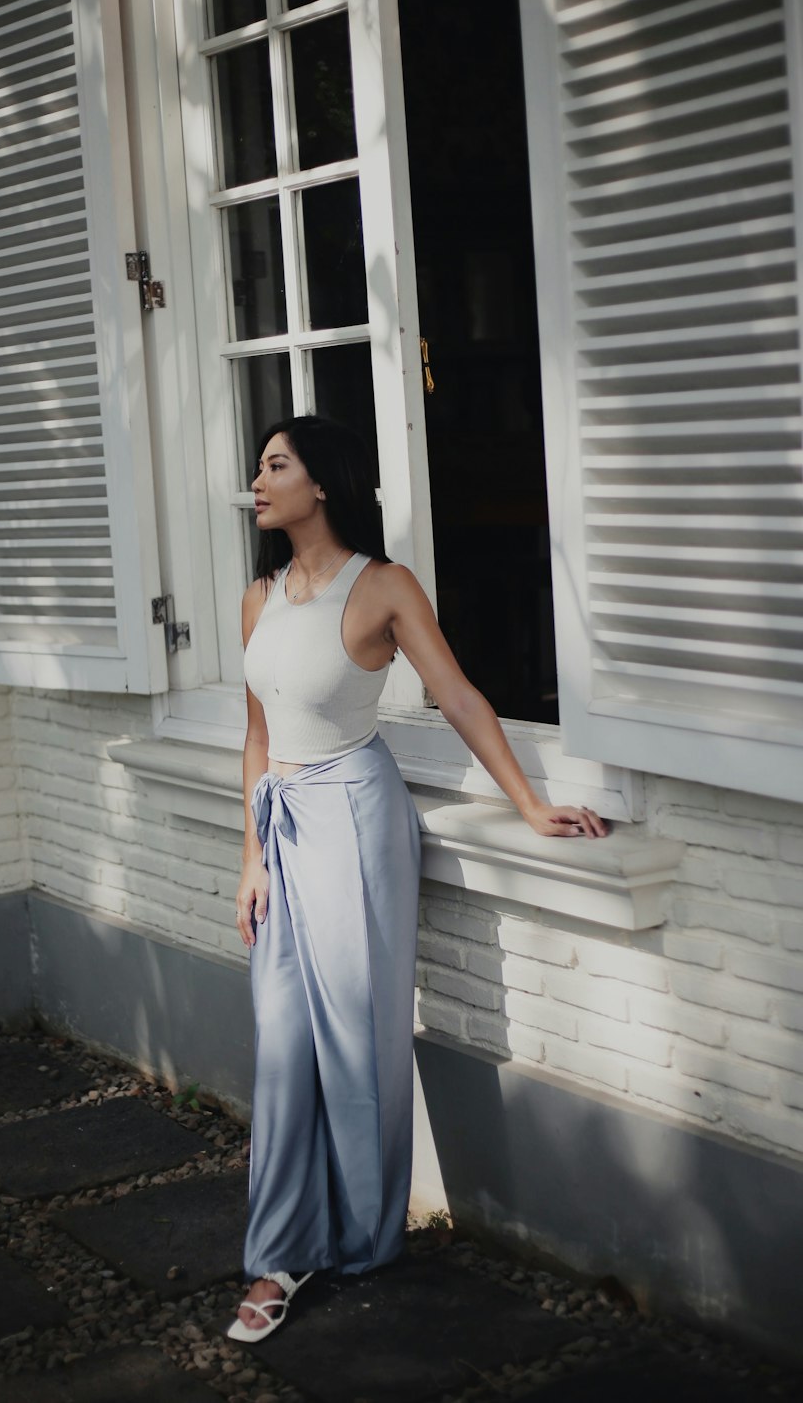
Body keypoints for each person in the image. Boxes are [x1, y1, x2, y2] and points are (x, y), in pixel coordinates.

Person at [229, 415, 607, 1343]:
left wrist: (527, 803)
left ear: (324, 484)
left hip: (356, 821)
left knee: (358, 1042)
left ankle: (360, 1235)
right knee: (281, 1041)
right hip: (282, 825)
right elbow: (257, 735)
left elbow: (461, 694)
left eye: (276, 464)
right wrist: (248, 856)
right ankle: (279, 1247)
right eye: (261, 465)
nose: (258, 478)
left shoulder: (384, 586)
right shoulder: (258, 596)